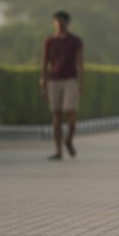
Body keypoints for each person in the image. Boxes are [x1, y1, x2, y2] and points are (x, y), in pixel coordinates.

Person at [40, 11, 84, 160]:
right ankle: (58, 150)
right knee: (56, 116)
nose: (60, 24)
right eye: (57, 21)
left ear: (67, 23)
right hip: (54, 79)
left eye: (62, 21)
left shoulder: (75, 40)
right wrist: (43, 80)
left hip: (70, 79)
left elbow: (79, 62)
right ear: (53, 23)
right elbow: (44, 62)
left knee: (70, 114)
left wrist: (80, 83)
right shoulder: (49, 41)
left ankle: (69, 140)